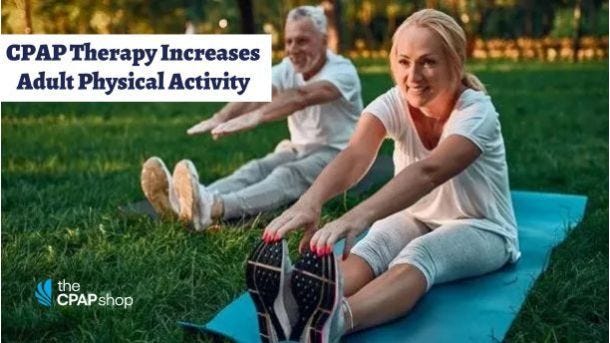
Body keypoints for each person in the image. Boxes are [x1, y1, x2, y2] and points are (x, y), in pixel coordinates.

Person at [257, 8, 521, 342]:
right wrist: (311, 201)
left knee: (421, 254)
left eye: (428, 61)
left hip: (482, 228)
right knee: (374, 245)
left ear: (455, 62)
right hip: (416, 214)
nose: (413, 75)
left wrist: (355, 216)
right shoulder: (395, 101)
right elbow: (355, 155)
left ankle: (334, 324)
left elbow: (429, 172)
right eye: (404, 61)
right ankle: (293, 308)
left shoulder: (476, 113)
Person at [140, 5, 362, 231]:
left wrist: (256, 117)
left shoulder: (343, 72)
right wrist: (220, 117)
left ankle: (212, 207)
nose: (293, 49)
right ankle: (186, 201)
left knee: (287, 175)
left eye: (302, 41)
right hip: (299, 147)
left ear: (324, 41)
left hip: (341, 154)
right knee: (255, 169)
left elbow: (301, 97)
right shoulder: (288, 67)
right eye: (289, 41)